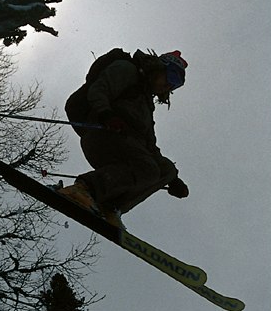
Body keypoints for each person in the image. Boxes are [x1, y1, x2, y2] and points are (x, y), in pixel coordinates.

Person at [59, 49, 189, 226]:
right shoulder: (127, 70)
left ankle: (110, 208)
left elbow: (150, 145)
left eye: (176, 85)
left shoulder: (146, 104)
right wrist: (106, 115)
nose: (169, 86)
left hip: (127, 145)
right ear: (160, 68)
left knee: (165, 169)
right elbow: (99, 90)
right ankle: (83, 188)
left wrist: (172, 179)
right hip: (102, 133)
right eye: (171, 77)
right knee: (148, 168)